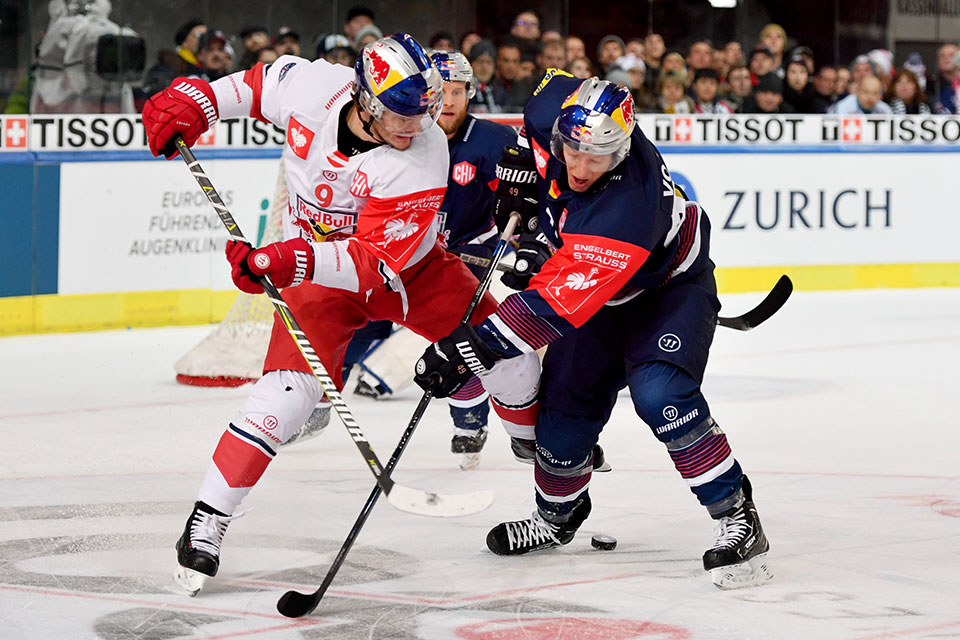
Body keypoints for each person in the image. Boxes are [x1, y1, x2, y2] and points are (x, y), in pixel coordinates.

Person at [141, 33, 537, 596]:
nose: (417, 125)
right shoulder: (313, 87)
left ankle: (534, 445)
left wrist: (283, 258)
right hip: (318, 282)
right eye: (401, 114)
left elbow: (373, 265)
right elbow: (254, 86)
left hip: (412, 273)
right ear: (366, 99)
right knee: (282, 399)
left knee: (511, 355)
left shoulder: (424, 153)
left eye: (424, 110)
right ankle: (209, 519)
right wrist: (200, 101)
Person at [413, 76, 772, 589]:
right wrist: (521, 171)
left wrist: (465, 348)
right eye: (571, 151)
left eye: (597, 158)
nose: (580, 168)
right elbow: (546, 113)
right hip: (592, 291)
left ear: (621, 151)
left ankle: (737, 514)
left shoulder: (627, 210)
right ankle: (557, 519)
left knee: (661, 395)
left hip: (665, 293)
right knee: (560, 424)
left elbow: (549, 309)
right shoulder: (551, 109)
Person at [345, 50, 519, 470]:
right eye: (444, 92)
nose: (451, 101)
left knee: (459, 341)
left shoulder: (493, 141)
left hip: (467, 255)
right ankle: (323, 384)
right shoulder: (397, 139)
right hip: (403, 253)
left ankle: (472, 420)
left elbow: (528, 194)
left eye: (459, 91)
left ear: (470, 93)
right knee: (353, 317)